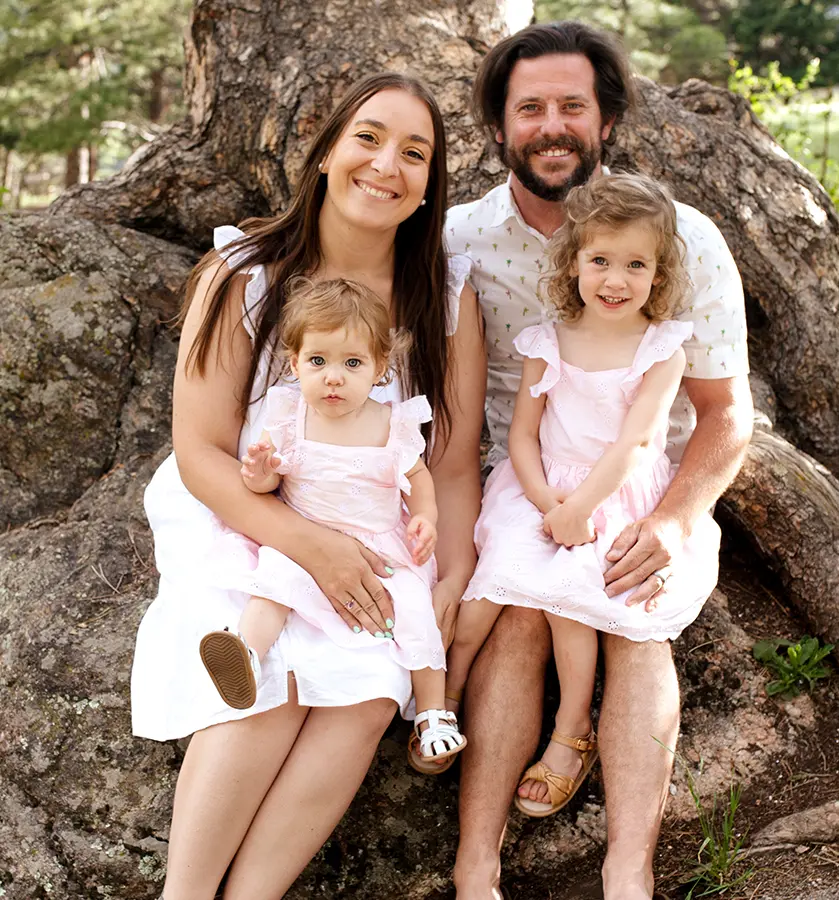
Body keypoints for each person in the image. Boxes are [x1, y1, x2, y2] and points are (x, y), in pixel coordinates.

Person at [131, 72, 485, 900]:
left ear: (430, 184)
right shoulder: (245, 272)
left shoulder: (445, 296)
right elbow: (200, 450)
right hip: (246, 518)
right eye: (368, 137)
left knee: (365, 698)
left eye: (415, 152)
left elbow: (454, 464)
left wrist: (451, 574)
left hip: (374, 529)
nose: (386, 164)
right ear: (326, 152)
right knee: (271, 683)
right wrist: (309, 547)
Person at [444, 22, 754, 900]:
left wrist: (671, 518)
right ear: (500, 127)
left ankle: (629, 871)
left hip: (635, 483)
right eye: (529, 107)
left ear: (606, 119)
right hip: (524, 481)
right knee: (513, 618)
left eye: (571, 106)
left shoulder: (683, 238)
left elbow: (726, 415)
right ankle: (476, 867)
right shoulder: (460, 239)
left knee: (636, 617)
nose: (552, 125)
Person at [448, 172, 721, 818]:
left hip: (616, 493)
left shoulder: (662, 350)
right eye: (600, 260)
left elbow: (633, 445)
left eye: (635, 265)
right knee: (484, 593)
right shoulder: (549, 341)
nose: (615, 280)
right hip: (538, 487)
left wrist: (577, 511)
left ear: (660, 273)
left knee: (571, 596)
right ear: (574, 263)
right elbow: (521, 436)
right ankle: (441, 701)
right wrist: (546, 503)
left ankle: (573, 727)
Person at [197, 276, 466, 762]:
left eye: (352, 363)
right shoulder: (289, 418)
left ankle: (432, 712)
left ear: (381, 368)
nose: (333, 377)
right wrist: (258, 474)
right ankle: (246, 657)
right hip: (306, 538)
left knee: (414, 611)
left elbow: (418, 477)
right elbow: (267, 485)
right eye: (317, 361)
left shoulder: (391, 425)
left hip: (379, 545)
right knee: (274, 583)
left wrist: (425, 516)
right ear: (294, 362)